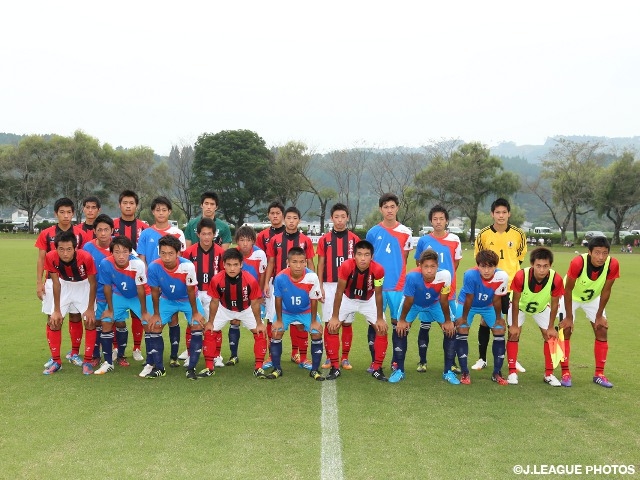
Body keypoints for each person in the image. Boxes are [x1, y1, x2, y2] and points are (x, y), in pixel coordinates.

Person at [473, 198, 527, 373]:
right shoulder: (483, 234)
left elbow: (519, 257)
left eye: (504, 212)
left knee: (513, 322)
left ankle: (513, 359)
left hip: (512, 285)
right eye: (498, 212)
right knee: (485, 321)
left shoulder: (519, 234)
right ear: (492, 214)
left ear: (509, 214)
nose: (501, 215)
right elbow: (479, 260)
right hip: (489, 284)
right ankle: (482, 358)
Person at [557, 236, 620, 388]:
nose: (601, 257)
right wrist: (570, 317)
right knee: (565, 329)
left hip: (592, 298)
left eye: (605, 253)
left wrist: (599, 315)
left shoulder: (612, 264)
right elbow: (568, 290)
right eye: (597, 252)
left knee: (602, 329)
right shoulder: (578, 262)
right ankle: (565, 373)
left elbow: (606, 290)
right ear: (589, 252)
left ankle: (599, 374)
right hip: (570, 297)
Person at [197, 248, 268, 379]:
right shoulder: (217, 279)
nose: (232, 268)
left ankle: (258, 367)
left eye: (235, 264)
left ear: (241, 264)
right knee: (209, 331)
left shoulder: (250, 280)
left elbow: (255, 303)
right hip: (225, 309)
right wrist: (210, 322)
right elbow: (214, 301)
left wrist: (259, 323)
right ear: (223, 265)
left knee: (260, 332)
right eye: (229, 264)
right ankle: (209, 367)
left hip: (245, 309)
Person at [142, 235, 206, 378]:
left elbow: (190, 291)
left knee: (197, 325)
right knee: (155, 326)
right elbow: (154, 292)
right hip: (167, 300)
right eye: (163, 253)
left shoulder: (187, 266)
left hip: (188, 300)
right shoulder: (153, 267)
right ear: (159, 252)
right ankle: (159, 368)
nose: (167, 257)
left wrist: (195, 313)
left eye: (171, 253)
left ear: (178, 253)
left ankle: (191, 368)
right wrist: (156, 314)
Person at [326, 240, 388, 381]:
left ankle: (377, 368)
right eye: (359, 254)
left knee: (382, 329)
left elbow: (378, 294)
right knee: (332, 327)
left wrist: (379, 318)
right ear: (354, 256)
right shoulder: (347, 266)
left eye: (366, 255)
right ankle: (335, 367)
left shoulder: (378, 270)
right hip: (348, 299)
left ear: (372, 257)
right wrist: (335, 317)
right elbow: (339, 292)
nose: (363, 258)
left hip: (368, 300)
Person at [365, 193, 413, 372]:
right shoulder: (372, 232)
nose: (389, 210)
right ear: (380, 209)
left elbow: (404, 258)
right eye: (386, 207)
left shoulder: (406, 232)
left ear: (397, 208)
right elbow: (367, 257)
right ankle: (374, 361)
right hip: (376, 286)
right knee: (375, 323)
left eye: (392, 207)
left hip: (398, 286)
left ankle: (395, 361)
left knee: (397, 323)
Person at [395, 250, 458, 384]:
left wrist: (447, 321)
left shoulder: (445, 275)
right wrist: (402, 320)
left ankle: (448, 372)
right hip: (413, 304)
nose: (429, 270)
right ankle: (399, 370)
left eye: (432, 266)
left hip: (434, 304)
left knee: (451, 331)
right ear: (420, 265)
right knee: (400, 330)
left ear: (437, 266)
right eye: (426, 266)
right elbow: (409, 301)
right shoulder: (412, 276)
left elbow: (444, 300)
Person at [137, 196, 186, 368]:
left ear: (169, 212)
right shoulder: (146, 233)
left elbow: (182, 259)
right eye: (157, 210)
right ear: (152, 212)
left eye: (164, 210)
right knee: (152, 320)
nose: (161, 213)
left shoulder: (177, 233)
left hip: (172, 283)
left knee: (173, 318)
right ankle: (151, 357)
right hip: (153, 284)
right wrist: (145, 282)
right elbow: (141, 259)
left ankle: (173, 356)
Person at [264, 206, 316, 369]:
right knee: (273, 320)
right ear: (284, 220)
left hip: (301, 285)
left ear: (299, 220)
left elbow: (309, 263)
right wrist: (266, 283)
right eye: (289, 218)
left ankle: (301, 356)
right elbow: (271, 262)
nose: (291, 221)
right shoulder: (275, 240)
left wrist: (313, 282)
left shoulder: (305, 240)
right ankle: (272, 357)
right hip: (279, 285)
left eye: (295, 218)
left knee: (300, 321)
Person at [36, 197, 86, 367]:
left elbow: (85, 258)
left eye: (69, 212)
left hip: (75, 282)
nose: (66, 215)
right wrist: (39, 282)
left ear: (73, 213)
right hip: (53, 281)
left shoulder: (80, 234)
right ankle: (54, 356)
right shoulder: (46, 233)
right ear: (56, 213)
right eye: (62, 212)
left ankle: (74, 352)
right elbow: (41, 258)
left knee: (75, 315)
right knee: (53, 318)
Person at [413, 205, 462, 374]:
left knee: (449, 327)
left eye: (441, 218)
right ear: (431, 221)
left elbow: (455, 263)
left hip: (448, 291)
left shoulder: (455, 240)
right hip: (428, 292)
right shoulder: (424, 240)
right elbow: (418, 264)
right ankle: (422, 361)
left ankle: (452, 363)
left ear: (446, 220)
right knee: (425, 325)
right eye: (435, 219)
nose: (438, 221)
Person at [95, 236, 153, 374]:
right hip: (120, 295)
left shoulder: (138, 264)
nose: (121, 256)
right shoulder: (105, 263)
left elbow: (140, 288)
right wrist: (109, 309)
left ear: (130, 252)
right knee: (107, 321)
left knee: (149, 324)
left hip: (140, 296)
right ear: (111, 252)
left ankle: (151, 362)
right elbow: (107, 287)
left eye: (125, 251)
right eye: (117, 252)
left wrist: (144, 311)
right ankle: (108, 362)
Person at [507, 247, 565, 386]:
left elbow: (555, 303)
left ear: (550, 265)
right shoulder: (521, 276)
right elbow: (515, 301)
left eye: (545, 266)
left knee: (550, 336)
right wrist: (514, 325)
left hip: (541, 307)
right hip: (519, 306)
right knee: (514, 334)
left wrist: (551, 327)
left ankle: (549, 374)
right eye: (538, 266)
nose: (542, 270)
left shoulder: (555, 279)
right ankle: (512, 372)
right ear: (532, 264)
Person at [42, 230, 97, 375]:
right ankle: (56, 361)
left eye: (69, 249)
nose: (65, 253)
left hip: (83, 286)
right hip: (64, 285)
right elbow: (56, 283)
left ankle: (87, 361)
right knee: (55, 321)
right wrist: (57, 309)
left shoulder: (86, 257)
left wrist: (90, 308)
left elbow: (92, 283)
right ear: (56, 248)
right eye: (61, 249)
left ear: (75, 248)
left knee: (90, 321)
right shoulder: (50, 257)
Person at [266, 247, 324, 381]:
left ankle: (315, 370)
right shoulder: (280, 278)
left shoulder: (312, 277)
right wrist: (279, 320)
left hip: (306, 311)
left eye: (301, 262)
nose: (298, 265)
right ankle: (277, 368)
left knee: (316, 331)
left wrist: (314, 321)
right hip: (286, 311)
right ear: (288, 262)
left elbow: (314, 300)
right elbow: (278, 300)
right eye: (294, 261)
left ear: (306, 262)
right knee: (276, 331)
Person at [454, 250, 510, 385]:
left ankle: (497, 373)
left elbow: (497, 299)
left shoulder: (502, 276)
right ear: (477, 265)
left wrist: (498, 318)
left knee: (499, 330)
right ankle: (465, 372)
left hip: (489, 305)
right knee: (462, 329)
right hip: (468, 304)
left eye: (490, 266)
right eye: (483, 266)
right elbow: (469, 298)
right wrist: (464, 318)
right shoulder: (470, 275)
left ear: (495, 266)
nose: (486, 270)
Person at [317, 203, 360, 371]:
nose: (340, 220)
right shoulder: (324, 240)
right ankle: (330, 356)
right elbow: (320, 263)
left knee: (347, 323)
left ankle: (345, 357)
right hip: (329, 285)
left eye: (343, 217)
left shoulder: (355, 240)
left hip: (349, 287)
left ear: (347, 217)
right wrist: (319, 286)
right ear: (331, 218)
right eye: (337, 217)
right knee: (330, 323)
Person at [179, 218, 225, 369]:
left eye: (209, 234)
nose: (206, 237)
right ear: (198, 234)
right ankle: (191, 353)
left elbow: (224, 274)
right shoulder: (189, 252)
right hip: (196, 292)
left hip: (213, 294)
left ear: (214, 234)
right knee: (193, 322)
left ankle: (217, 355)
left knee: (215, 324)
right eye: (203, 234)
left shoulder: (220, 252)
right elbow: (183, 273)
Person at [220, 225, 268, 367]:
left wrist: (259, 296)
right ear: (237, 241)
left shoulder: (260, 254)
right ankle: (234, 355)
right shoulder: (233, 254)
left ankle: (263, 358)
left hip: (253, 297)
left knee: (260, 326)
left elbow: (262, 276)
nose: (245, 243)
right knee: (234, 322)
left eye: (248, 240)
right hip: (235, 296)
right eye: (242, 240)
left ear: (253, 241)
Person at [112, 189, 148, 362]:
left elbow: (146, 253)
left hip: (137, 276)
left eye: (131, 203)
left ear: (136, 206)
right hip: (116, 277)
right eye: (125, 203)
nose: (128, 206)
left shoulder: (143, 227)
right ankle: (116, 347)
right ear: (119, 205)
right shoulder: (112, 225)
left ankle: (136, 348)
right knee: (116, 314)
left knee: (136, 314)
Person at [82, 214, 117, 366]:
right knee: (95, 322)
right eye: (100, 230)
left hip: (115, 293)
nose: (103, 233)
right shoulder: (88, 248)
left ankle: (119, 354)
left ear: (112, 231)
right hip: (94, 294)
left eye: (106, 230)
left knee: (118, 322)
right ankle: (95, 355)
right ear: (94, 231)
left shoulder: (118, 246)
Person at [255, 201, 286, 364]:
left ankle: (297, 353)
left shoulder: (292, 234)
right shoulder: (262, 236)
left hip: (291, 281)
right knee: (271, 317)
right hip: (271, 281)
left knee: (295, 316)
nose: (275, 216)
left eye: (278, 213)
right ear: (268, 215)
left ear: (283, 215)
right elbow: (260, 259)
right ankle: (271, 353)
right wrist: (264, 283)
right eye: (272, 213)